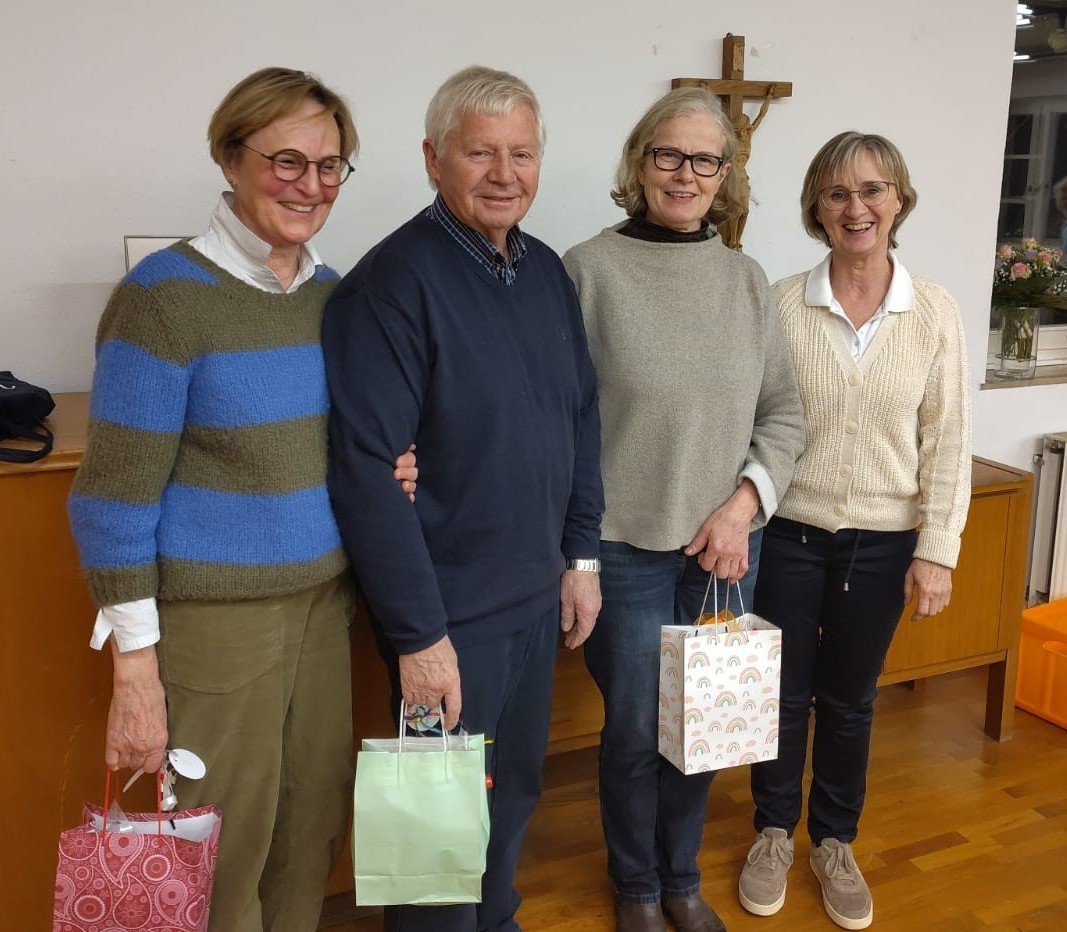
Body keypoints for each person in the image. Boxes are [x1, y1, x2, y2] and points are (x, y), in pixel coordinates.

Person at [68, 67, 417, 932]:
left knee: (310, 825)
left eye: (329, 166)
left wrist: (391, 466)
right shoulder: (163, 300)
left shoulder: (333, 297)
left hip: (324, 608)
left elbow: (336, 445)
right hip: (217, 627)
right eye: (286, 161)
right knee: (222, 848)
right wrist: (135, 672)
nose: (310, 185)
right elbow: (111, 501)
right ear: (230, 159)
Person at [322, 65, 604, 932]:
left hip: (532, 598)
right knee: (431, 830)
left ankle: (496, 920)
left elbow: (579, 419)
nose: (503, 174)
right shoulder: (389, 285)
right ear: (432, 158)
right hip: (445, 619)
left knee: (511, 792)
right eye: (480, 152)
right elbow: (366, 472)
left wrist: (580, 557)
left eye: (522, 153)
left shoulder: (545, 271)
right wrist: (418, 638)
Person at [562, 87, 805, 932]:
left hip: (724, 551)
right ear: (639, 163)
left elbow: (784, 413)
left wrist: (743, 505)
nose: (684, 173)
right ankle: (635, 887)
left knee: (704, 725)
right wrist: (574, 553)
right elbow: (557, 418)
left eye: (705, 160)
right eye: (668, 154)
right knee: (634, 731)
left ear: (725, 175)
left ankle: (680, 879)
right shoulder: (585, 272)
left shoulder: (744, 281)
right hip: (620, 547)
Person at [737, 132, 971, 931]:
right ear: (816, 207)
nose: (855, 207)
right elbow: (755, 423)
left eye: (871, 190)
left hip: (883, 543)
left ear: (897, 200)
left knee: (848, 701)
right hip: (788, 534)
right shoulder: (780, 304)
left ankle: (834, 842)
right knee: (778, 696)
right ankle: (772, 832)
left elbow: (946, 440)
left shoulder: (933, 310)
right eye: (836, 193)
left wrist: (936, 550)